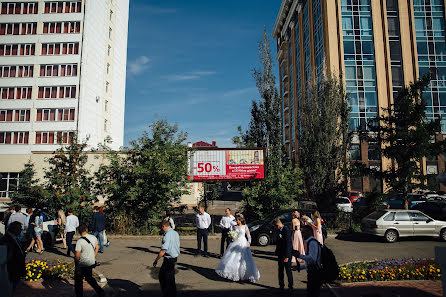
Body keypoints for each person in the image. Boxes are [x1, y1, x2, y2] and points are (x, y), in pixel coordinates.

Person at [215, 215, 260, 283]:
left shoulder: (245, 226)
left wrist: (249, 242)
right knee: (233, 257)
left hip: (243, 243)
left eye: (238, 220)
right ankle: (233, 273)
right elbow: (233, 234)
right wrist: (232, 237)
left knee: (244, 258)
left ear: (241, 220)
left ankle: (246, 274)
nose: (236, 221)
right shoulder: (234, 227)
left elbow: (248, 235)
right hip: (236, 242)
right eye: (236, 220)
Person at [74, 224, 105, 297]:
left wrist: (76, 264)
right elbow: (97, 247)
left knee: (78, 280)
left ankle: (79, 295)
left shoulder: (80, 241)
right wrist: (93, 256)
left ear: (79, 232)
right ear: (86, 230)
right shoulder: (93, 237)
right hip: (91, 262)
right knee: (89, 277)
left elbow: (77, 255)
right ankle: (100, 291)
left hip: (82, 263)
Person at [153, 220, 180, 297]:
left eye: (162, 227)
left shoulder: (167, 235)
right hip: (174, 257)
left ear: (164, 226)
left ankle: (167, 294)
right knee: (170, 277)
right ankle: (172, 293)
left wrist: (156, 260)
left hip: (169, 259)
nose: (161, 229)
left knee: (163, 277)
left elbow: (163, 250)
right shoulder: (175, 233)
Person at [0, 222, 26, 292]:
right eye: (19, 229)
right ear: (13, 229)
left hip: (15, 270)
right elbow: (5, 257)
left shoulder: (15, 238)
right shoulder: (6, 240)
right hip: (10, 271)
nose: (21, 230)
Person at [297, 225, 322, 297]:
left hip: (315, 273)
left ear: (309, 232)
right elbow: (310, 262)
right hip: (313, 273)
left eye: (303, 232)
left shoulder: (312, 243)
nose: (302, 234)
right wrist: (300, 268)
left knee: (313, 293)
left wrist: (299, 255)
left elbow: (312, 259)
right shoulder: (310, 243)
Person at [274, 218, 293, 293]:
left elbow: (288, 244)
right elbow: (279, 243)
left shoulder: (286, 230)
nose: (275, 228)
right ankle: (281, 285)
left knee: (288, 271)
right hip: (280, 254)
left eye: (276, 226)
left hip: (286, 254)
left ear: (278, 225)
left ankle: (290, 287)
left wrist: (287, 256)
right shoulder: (279, 230)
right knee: (280, 270)